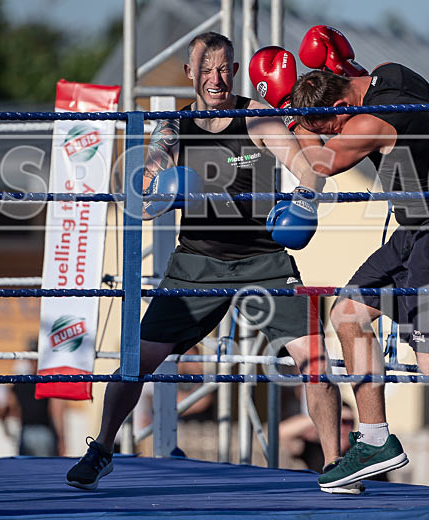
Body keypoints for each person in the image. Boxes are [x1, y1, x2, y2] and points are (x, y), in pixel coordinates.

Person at [66, 32, 344, 491]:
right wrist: (158, 184)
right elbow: (151, 165)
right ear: (190, 73)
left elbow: (309, 167)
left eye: (223, 69)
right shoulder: (175, 125)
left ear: (234, 72)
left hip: (264, 259)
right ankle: (102, 448)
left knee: (313, 359)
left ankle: (336, 466)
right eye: (206, 69)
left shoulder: (256, 117)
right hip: (197, 261)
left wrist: (305, 203)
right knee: (138, 358)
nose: (215, 79)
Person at [281, 44, 429, 491]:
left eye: (328, 126)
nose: (328, 135)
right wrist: (334, 59)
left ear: (344, 106)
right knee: (347, 313)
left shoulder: (373, 120)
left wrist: (293, 120)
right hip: (411, 234)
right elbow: (353, 78)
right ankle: (374, 439)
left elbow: (322, 163)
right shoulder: (394, 72)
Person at [9, 341, 66, 456]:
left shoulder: (20, 383)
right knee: (44, 471)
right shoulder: (49, 382)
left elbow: (12, 408)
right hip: (43, 433)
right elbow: (56, 411)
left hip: (25, 431)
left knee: (26, 471)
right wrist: (61, 439)